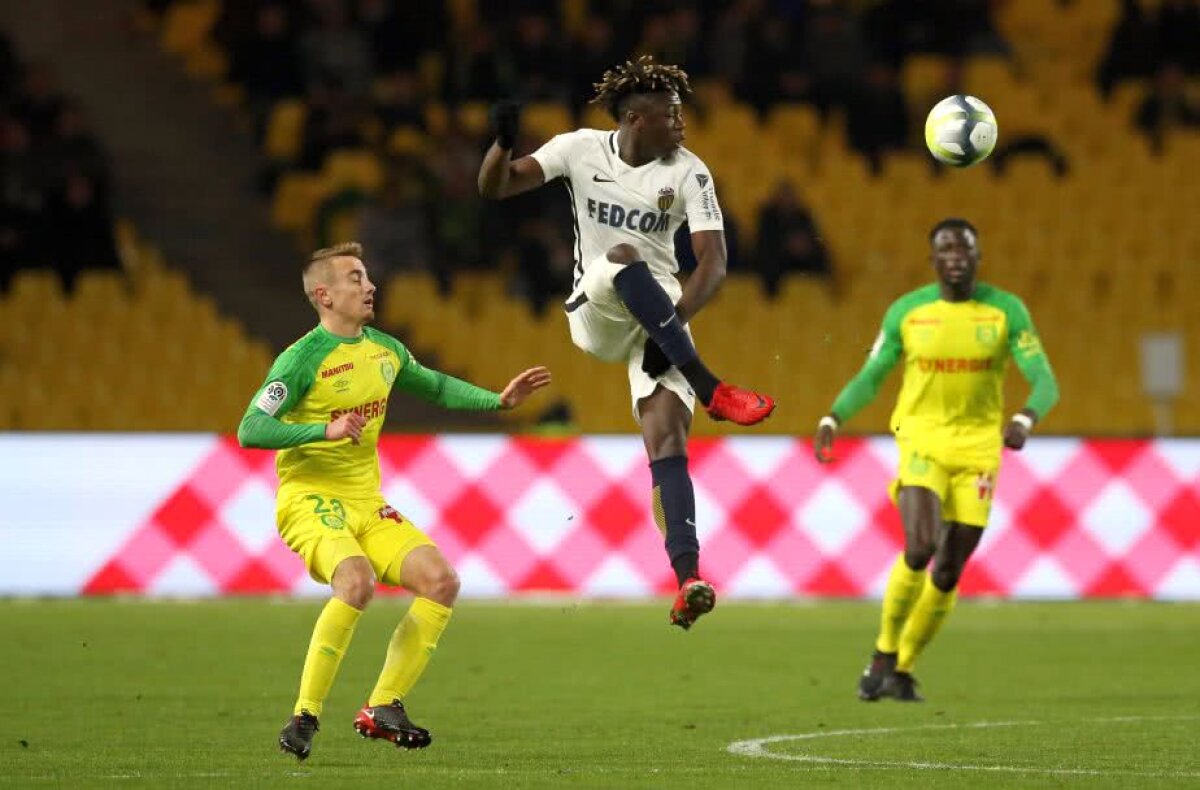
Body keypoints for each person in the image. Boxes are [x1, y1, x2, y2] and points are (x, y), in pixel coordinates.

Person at [477, 55, 776, 631]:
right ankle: (711, 386)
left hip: (663, 315)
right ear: (637, 119)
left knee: (667, 439)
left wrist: (675, 326)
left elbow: (713, 264)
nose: (683, 125)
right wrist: (501, 144)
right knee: (622, 257)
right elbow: (497, 186)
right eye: (672, 115)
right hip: (597, 309)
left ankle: (688, 577)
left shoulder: (690, 171)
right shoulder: (579, 148)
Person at [238, 242, 550, 759]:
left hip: (366, 501)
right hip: (309, 499)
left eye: (367, 277)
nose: (370, 286)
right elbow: (251, 428)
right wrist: (324, 428)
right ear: (324, 295)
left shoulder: (385, 350)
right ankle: (305, 714)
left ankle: (383, 706)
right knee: (356, 581)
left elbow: (436, 387)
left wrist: (497, 400)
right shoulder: (299, 360)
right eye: (356, 278)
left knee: (441, 581)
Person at [813, 219, 1058, 701]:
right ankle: (883, 651)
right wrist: (833, 416)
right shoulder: (908, 312)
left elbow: (1044, 379)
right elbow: (873, 374)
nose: (955, 256)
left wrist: (1027, 418)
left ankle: (901, 669)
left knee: (948, 571)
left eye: (964, 248)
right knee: (921, 546)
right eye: (946, 248)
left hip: (979, 450)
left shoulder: (1006, 311)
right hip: (921, 441)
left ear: (977, 255)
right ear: (933, 259)